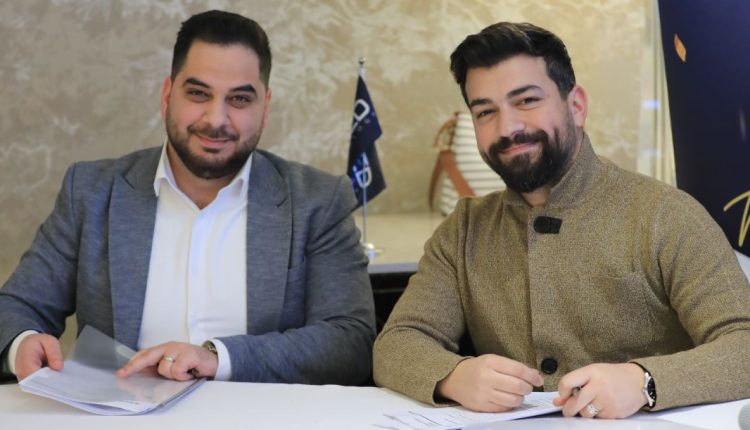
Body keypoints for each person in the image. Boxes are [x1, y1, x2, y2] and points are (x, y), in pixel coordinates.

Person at [373, 22, 750, 419]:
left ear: (577, 106)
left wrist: (644, 381)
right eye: (485, 112)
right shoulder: (464, 230)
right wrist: (454, 375)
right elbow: (398, 341)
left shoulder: (667, 214)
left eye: (527, 101)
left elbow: (743, 344)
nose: (507, 128)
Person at [0, 10, 375, 385]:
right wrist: (21, 343)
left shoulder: (318, 202)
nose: (216, 119)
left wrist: (218, 358)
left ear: (265, 107)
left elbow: (349, 342)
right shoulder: (91, 192)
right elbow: (16, 306)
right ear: (167, 96)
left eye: (239, 99)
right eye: (198, 93)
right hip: (118, 414)